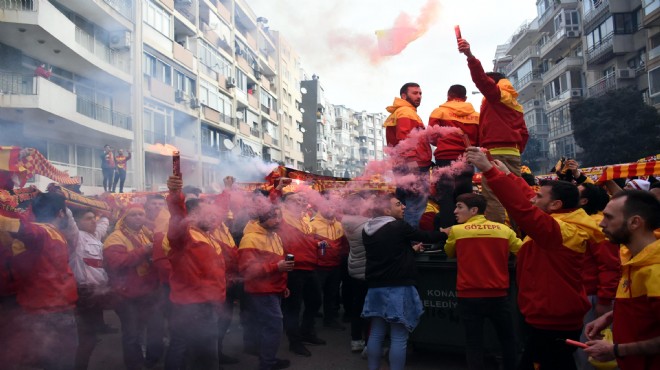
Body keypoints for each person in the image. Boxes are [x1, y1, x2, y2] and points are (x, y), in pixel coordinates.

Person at [465, 148, 604, 370]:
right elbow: (529, 199)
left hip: (552, 319)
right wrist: (508, 176)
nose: (533, 197)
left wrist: (489, 171)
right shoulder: (561, 220)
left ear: (556, 205)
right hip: (548, 315)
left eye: (539, 196)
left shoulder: (559, 230)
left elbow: (522, 209)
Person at [361, 193, 445, 370]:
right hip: (398, 286)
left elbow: (390, 251)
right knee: (399, 336)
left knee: (376, 333)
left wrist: (410, 250)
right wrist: (444, 233)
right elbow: (426, 236)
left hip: (376, 286)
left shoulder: (367, 228)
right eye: (398, 204)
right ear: (386, 210)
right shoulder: (398, 226)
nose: (403, 207)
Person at [442, 193, 522, 370]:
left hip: (469, 296)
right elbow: (522, 251)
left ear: (474, 210)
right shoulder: (504, 230)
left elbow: (449, 252)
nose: (455, 211)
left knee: (473, 343)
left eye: (459, 207)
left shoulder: (457, 231)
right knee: (508, 339)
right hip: (499, 295)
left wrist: (449, 235)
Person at [0, 192, 78, 370]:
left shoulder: (55, 233)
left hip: (55, 308)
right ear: (61, 213)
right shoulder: (42, 231)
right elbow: (26, 230)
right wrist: (8, 220)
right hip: (46, 313)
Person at [584, 190, 660, 370]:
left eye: (609, 217)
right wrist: (611, 316)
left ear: (635, 222)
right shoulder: (633, 258)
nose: (601, 224)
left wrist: (616, 350)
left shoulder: (655, 269)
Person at [458, 38, 529, 224]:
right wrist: (516, 149)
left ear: (494, 84)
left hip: (495, 153)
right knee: (516, 195)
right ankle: (520, 235)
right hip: (513, 154)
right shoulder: (514, 103)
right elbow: (524, 133)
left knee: (494, 196)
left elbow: (481, 80)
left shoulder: (496, 97)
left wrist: (469, 56)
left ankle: (499, 239)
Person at [164, 175, 226, 370]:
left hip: (206, 303)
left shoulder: (207, 236)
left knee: (197, 351)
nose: (212, 217)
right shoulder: (185, 236)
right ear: (191, 216)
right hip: (192, 306)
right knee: (198, 354)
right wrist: (175, 195)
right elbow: (177, 217)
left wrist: (228, 191)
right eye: (206, 213)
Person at [103, 204, 160, 370]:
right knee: (132, 333)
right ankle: (134, 365)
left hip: (146, 292)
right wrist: (143, 250)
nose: (138, 218)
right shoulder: (115, 237)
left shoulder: (145, 234)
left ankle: (149, 360)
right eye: (133, 215)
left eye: (141, 214)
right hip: (125, 294)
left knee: (150, 327)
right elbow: (116, 263)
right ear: (124, 218)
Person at [239, 205, 293, 370]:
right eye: (273, 217)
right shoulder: (250, 238)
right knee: (274, 327)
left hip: (273, 289)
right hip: (261, 291)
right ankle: (267, 363)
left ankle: (268, 359)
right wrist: (277, 267)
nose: (278, 220)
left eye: (279, 216)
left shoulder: (275, 235)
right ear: (261, 219)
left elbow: (278, 264)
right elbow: (247, 270)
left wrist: (282, 285)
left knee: (267, 326)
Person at [278, 191, 326, 357]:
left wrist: (317, 242)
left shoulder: (305, 218)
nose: (299, 202)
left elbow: (308, 238)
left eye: (300, 199)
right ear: (284, 204)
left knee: (315, 301)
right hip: (294, 268)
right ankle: (295, 341)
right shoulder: (282, 217)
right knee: (293, 307)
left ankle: (306, 332)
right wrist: (277, 190)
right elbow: (270, 204)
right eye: (294, 200)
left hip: (309, 265)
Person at [428, 84, 480, 230]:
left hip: (445, 158)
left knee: (446, 198)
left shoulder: (439, 112)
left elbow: (431, 137)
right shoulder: (476, 115)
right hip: (467, 159)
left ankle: (447, 236)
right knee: (465, 199)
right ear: (465, 98)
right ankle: (466, 232)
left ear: (448, 96)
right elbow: (480, 138)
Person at [66, 207, 111, 370]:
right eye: (88, 218)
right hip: (83, 293)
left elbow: (103, 224)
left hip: (97, 293)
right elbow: (70, 220)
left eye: (94, 218)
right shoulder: (76, 237)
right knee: (86, 337)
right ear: (78, 223)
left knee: (91, 336)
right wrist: (64, 203)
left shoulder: (95, 236)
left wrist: (105, 213)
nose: (93, 221)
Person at [384, 82, 433, 227]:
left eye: (420, 93)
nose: (419, 96)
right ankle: (412, 242)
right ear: (404, 95)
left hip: (402, 165)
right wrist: (412, 164)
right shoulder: (406, 112)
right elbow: (405, 140)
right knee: (415, 206)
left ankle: (403, 241)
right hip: (413, 164)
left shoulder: (400, 112)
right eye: (415, 93)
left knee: (403, 205)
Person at [310, 201, 349, 331]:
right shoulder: (312, 224)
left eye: (333, 206)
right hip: (319, 266)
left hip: (335, 265)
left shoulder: (339, 224)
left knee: (332, 294)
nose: (331, 209)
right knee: (314, 295)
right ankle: (309, 324)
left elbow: (343, 245)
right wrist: (317, 242)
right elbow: (307, 243)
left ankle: (330, 320)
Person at [341, 193, 372, 353]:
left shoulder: (346, 221)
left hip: (354, 266)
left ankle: (355, 339)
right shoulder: (365, 224)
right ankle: (369, 342)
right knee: (369, 307)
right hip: (366, 269)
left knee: (357, 304)